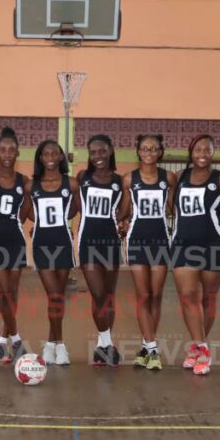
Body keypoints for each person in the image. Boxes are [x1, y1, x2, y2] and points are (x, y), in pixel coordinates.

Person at [170, 134, 220, 376]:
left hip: (214, 244)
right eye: (198, 149)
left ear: (213, 152)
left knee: (208, 298)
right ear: (190, 152)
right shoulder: (179, 178)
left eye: (207, 149)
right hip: (183, 243)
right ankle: (202, 346)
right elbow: (169, 207)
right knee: (187, 296)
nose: (202, 153)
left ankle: (198, 347)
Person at [120, 134, 175, 370]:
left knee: (155, 295)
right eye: (144, 148)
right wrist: (120, 221)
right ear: (138, 151)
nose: (149, 152)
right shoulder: (129, 179)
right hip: (137, 240)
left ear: (160, 152)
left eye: (154, 148)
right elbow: (123, 209)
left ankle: (146, 345)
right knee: (143, 295)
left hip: (161, 240)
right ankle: (152, 349)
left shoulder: (168, 178)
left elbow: (173, 208)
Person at [25, 140, 80, 365]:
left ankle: (50, 344)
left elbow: (76, 208)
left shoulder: (72, 183)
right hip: (42, 244)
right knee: (54, 295)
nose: (49, 156)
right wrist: (37, 223)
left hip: (63, 243)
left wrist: (62, 219)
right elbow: (27, 211)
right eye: (45, 153)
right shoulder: (32, 185)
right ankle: (61, 345)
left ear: (60, 157)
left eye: (54, 153)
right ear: (40, 157)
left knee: (57, 296)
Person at [76, 134, 126, 367]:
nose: (98, 156)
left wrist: (125, 224)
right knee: (97, 294)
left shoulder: (119, 181)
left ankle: (102, 345)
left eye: (102, 151)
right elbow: (75, 207)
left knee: (108, 296)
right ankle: (106, 342)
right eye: (93, 152)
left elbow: (126, 210)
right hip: (88, 243)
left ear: (110, 151)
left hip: (111, 244)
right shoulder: (82, 178)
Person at [0, 127, 29, 363]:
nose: (7, 153)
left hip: (15, 242)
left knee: (12, 293)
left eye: (11, 149)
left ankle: (2, 342)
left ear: (17, 152)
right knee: (5, 292)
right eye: (3, 149)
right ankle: (17, 339)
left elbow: (26, 211)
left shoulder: (23, 181)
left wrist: (14, 224)